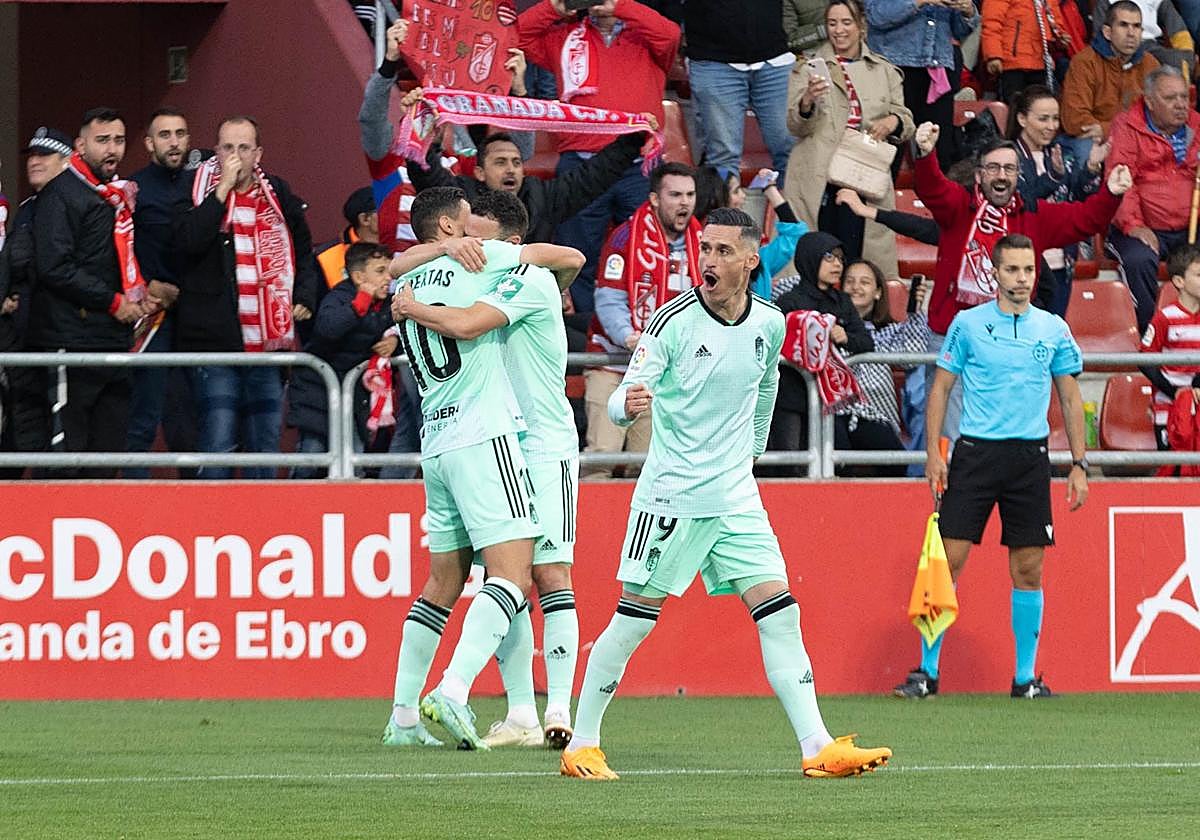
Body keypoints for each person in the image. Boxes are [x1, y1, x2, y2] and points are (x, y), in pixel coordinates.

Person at [559, 207, 892, 780]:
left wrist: (751, 450)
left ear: (749, 259)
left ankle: (817, 746)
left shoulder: (769, 321)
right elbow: (626, 390)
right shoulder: (674, 322)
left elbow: (766, 386)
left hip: (736, 495)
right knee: (635, 621)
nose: (707, 260)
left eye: (719, 251)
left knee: (780, 614)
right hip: (672, 498)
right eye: (703, 249)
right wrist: (624, 406)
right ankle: (581, 743)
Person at [380, 185, 584, 750]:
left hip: (445, 440)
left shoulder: (409, 280)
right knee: (514, 574)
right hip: (489, 436)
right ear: (450, 228)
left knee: (451, 581)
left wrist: (414, 288)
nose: (473, 239)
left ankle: (404, 719)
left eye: (481, 232)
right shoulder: (482, 265)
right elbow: (568, 258)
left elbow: (397, 263)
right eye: (466, 227)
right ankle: (460, 691)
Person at [897, 234, 1088, 700]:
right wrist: (934, 453)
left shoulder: (1053, 328)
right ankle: (927, 672)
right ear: (995, 273)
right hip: (976, 453)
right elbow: (940, 388)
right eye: (1012, 270)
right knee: (949, 562)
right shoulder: (967, 324)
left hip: (1030, 458)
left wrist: (1080, 464)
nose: (1021, 279)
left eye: (1028, 271)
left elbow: (1068, 395)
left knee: (1028, 568)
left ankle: (1025, 679)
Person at [911, 121, 1131, 444]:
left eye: (1010, 169)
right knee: (952, 434)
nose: (1002, 175)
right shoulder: (958, 206)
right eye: (994, 168)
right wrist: (925, 154)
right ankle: (955, 492)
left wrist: (1110, 193)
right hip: (953, 333)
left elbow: (1087, 219)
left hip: (1010, 339)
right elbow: (931, 188)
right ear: (978, 175)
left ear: (1018, 176)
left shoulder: (1034, 216)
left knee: (1005, 432)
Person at [173, 116, 319, 479]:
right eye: (227, 148)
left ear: (258, 153)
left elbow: (303, 252)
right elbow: (187, 243)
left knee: (265, 442)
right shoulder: (196, 190)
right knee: (218, 439)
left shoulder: (278, 193)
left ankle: (261, 527)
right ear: (216, 150)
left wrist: (303, 295)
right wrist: (220, 191)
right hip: (217, 343)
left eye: (243, 148)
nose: (234, 156)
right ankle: (210, 526)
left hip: (268, 345)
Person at [518, 0, 681, 316]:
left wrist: (621, 7)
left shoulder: (644, 34)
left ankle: (645, 328)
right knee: (575, 258)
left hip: (638, 167)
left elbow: (671, 36)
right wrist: (556, 6)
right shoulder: (564, 37)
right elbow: (516, 35)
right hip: (582, 166)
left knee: (648, 254)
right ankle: (581, 336)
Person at [29, 108, 150, 478]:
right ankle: (54, 533)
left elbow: (115, 261)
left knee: (108, 457)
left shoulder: (116, 196)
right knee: (68, 458)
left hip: (113, 342)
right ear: (80, 146)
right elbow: (55, 267)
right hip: (70, 342)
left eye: (118, 140)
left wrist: (140, 292)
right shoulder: (61, 194)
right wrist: (113, 301)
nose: (112, 149)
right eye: (102, 141)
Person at [399, 88, 654, 246]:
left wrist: (634, 138)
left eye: (516, 162)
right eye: (500, 162)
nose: (511, 169)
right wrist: (419, 124)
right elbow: (426, 172)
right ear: (479, 172)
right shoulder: (459, 196)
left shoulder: (542, 196)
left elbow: (594, 175)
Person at [582, 162, 698, 480]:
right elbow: (608, 299)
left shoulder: (703, 243)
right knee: (601, 459)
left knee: (649, 466)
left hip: (662, 375)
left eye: (690, 194)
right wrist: (629, 336)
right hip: (614, 364)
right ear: (655, 199)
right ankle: (592, 530)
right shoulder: (624, 238)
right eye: (675, 194)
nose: (684, 202)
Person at [785, 0, 913, 277]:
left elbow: (906, 119)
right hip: (819, 175)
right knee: (817, 257)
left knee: (862, 257)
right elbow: (795, 126)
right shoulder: (806, 68)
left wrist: (893, 121)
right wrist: (807, 101)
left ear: (861, 27)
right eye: (832, 23)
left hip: (864, 176)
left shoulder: (884, 70)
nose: (839, 30)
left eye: (846, 23)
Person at [126, 107, 201, 478]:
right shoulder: (134, 189)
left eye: (180, 134)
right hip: (152, 316)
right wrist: (148, 284)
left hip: (197, 317)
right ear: (149, 143)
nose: (174, 142)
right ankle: (134, 503)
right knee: (143, 417)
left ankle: (198, 508)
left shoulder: (202, 185)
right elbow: (119, 250)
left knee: (194, 420)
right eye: (165, 135)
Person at [287, 242, 397, 478]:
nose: (388, 278)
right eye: (380, 271)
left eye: (389, 271)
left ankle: (352, 511)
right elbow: (328, 329)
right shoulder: (338, 297)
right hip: (317, 394)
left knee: (353, 458)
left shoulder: (389, 303)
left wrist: (394, 343)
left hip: (355, 398)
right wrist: (359, 305)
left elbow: (401, 328)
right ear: (358, 276)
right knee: (311, 456)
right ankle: (292, 508)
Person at [769, 231, 873, 472]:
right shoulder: (788, 302)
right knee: (790, 466)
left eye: (840, 258)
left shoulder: (842, 302)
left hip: (828, 399)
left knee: (828, 466)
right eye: (830, 257)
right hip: (790, 397)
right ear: (811, 258)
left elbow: (866, 342)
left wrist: (845, 336)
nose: (837, 265)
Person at [1106, 66, 1200, 332]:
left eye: (1184, 97)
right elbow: (1122, 181)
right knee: (1139, 260)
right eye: (1171, 99)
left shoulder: (1197, 125)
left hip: (1189, 226)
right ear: (1149, 101)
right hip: (1137, 227)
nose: (1181, 105)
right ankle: (1150, 335)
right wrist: (1134, 225)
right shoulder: (1127, 126)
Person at [0, 127, 72, 472]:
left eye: (44, 155)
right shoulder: (27, 210)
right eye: (32, 155)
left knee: (58, 433)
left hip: (61, 336)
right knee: (24, 425)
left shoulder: (79, 204)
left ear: (65, 161)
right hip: (24, 338)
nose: (35, 161)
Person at [1009, 85, 1107, 316]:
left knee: (1053, 334)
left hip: (1062, 262)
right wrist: (1052, 177)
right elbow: (1019, 202)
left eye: (1055, 119)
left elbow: (1080, 199)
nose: (1051, 126)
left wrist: (1091, 168)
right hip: (1021, 264)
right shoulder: (1007, 157)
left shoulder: (1062, 153)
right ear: (1022, 119)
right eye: (1043, 119)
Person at [836, 259, 929, 476]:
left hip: (876, 417)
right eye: (849, 281)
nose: (856, 287)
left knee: (894, 465)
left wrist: (915, 312)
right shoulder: (828, 324)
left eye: (865, 282)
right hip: (837, 415)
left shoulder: (886, 331)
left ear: (878, 292)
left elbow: (913, 357)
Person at [681, 0, 796, 177]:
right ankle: (725, 204)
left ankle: (791, 205)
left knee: (792, 151)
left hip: (774, 59)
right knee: (722, 156)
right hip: (713, 61)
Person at [866, 0, 979, 171]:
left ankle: (935, 197)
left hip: (938, 70)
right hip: (894, 70)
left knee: (939, 156)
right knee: (886, 156)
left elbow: (959, 30)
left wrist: (968, 12)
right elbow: (876, 14)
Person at [1060, 1, 1161, 165]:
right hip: (1094, 142)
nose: (1131, 33)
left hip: (1135, 138)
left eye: (1136, 27)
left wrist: (1107, 129)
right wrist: (1119, 133)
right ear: (1107, 32)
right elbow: (1075, 121)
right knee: (1086, 149)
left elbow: (1158, 117)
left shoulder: (1151, 64)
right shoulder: (1084, 62)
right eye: (1123, 25)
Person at [1139, 242, 1200, 451]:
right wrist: (1173, 391)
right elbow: (1144, 361)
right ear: (1179, 281)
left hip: (1198, 408)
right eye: (1199, 275)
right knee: (1171, 472)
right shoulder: (1164, 318)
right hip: (1169, 408)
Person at [981, 0, 1074, 101]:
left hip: (1040, 64)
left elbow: (1055, 24)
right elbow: (992, 23)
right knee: (1014, 107)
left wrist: (1060, 39)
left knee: (1039, 108)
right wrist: (993, 55)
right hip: (1012, 64)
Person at [1092, 0, 1195, 71]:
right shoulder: (1106, 2)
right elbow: (1100, 34)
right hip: (1119, 46)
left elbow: (1177, 28)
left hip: (1152, 46)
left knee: (1179, 60)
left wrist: (1187, 52)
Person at [317, 187, 379, 290]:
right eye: (385, 209)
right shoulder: (325, 256)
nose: (392, 214)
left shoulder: (403, 245)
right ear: (364, 219)